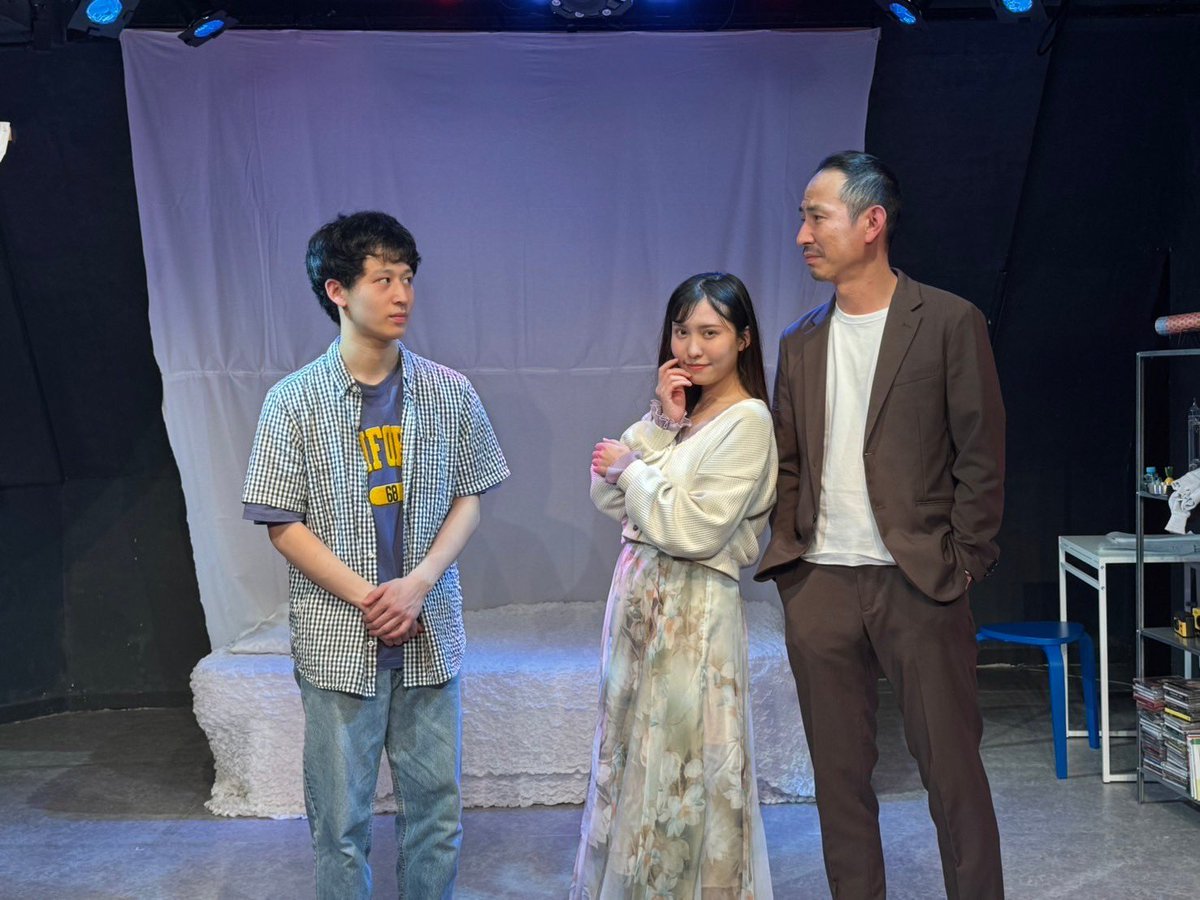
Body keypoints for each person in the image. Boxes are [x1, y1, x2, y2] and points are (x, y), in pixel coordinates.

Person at [756, 151, 1005, 899]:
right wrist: (793, 566)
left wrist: (964, 560)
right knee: (838, 783)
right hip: (821, 584)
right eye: (801, 218)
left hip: (919, 580)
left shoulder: (949, 322)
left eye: (816, 216)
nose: (802, 234)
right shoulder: (800, 341)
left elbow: (982, 453)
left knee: (952, 774)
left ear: (872, 222)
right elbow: (789, 461)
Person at [241, 211, 509, 899]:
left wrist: (417, 585)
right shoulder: (292, 401)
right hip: (341, 640)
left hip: (428, 634)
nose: (402, 295)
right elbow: (282, 522)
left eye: (408, 278)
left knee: (437, 818)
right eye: (383, 279)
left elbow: (470, 496)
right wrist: (373, 598)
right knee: (340, 824)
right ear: (338, 291)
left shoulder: (449, 391)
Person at [572, 272, 778, 899]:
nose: (691, 347)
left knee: (684, 765)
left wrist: (635, 472)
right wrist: (661, 422)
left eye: (710, 333)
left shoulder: (748, 421)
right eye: (682, 331)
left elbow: (695, 529)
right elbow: (605, 491)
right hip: (638, 603)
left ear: (743, 338)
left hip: (693, 610)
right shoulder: (680, 413)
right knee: (628, 755)